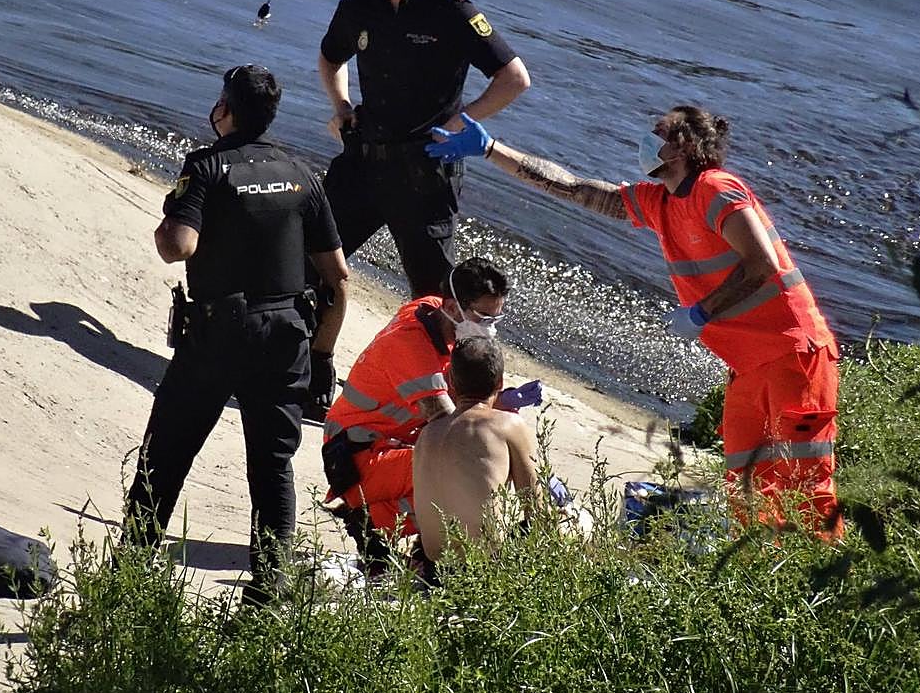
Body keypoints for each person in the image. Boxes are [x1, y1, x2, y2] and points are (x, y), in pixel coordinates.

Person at [426, 107, 843, 538]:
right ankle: (767, 570)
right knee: (749, 489)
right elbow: (575, 188)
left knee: (806, 487)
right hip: (748, 367)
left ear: (682, 146)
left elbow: (763, 262)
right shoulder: (660, 203)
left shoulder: (715, 189)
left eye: (658, 132)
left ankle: (826, 570)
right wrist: (492, 150)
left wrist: (703, 311)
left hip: (794, 354)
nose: (647, 138)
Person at [122, 64, 351, 604]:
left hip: (217, 334)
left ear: (224, 108)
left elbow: (178, 247)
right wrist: (322, 354)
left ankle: (127, 581)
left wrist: (169, 220)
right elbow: (337, 277)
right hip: (287, 337)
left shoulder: (206, 166)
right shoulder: (302, 173)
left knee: (166, 456)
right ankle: (269, 592)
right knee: (272, 466)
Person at [307, 0, 531, 417]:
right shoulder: (360, 2)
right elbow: (330, 56)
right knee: (312, 260)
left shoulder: (451, 10)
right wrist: (341, 105)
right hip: (363, 162)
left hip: (425, 171)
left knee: (435, 302)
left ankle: (446, 408)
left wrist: (461, 122)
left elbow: (514, 78)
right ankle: (313, 370)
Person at [320, 257, 541, 566]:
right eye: (483, 318)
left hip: (379, 445)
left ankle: (393, 531)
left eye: (495, 319)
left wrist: (497, 401)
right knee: (459, 470)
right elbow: (454, 428)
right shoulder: (412, 346)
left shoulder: (433, 311)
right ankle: (375, 523)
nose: (489, 329)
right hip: (355, 457)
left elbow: (460, 408)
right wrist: (499, 412)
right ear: (451, 307)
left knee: (463, 463)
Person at [412, 336, 540, 567]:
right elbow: (537, 510)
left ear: (451, 381)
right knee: (565, 520)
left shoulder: (427, 434)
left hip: (434, 566)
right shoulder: (508, 425)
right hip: (482, 567)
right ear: (500, 383)